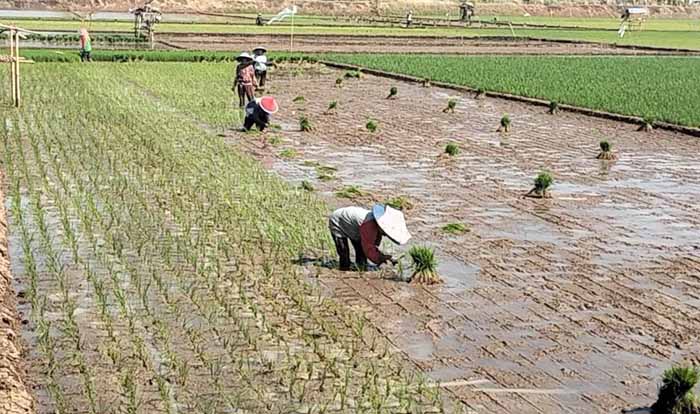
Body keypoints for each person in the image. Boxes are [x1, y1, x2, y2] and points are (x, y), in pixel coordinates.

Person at [328, 204, 411, 271]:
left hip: (354, 227)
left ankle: (360, 269)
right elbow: (368, 249)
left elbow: (374, 244)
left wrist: (381, 255)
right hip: (338, 222)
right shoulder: (369, 226)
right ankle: (343, 271)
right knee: (344, 254)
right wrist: (380, 258)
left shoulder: (377, 224)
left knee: (361, 254)